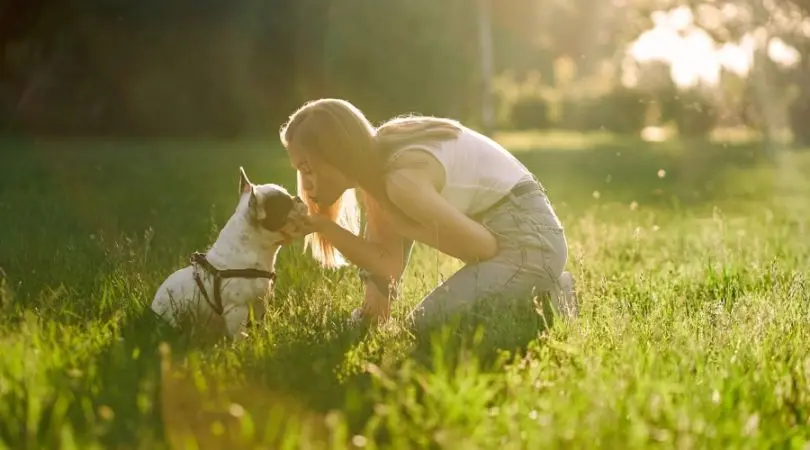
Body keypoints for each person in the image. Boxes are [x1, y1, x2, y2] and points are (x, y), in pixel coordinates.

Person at [279, 98, 577, 333]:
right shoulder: (379, 163)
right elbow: (387, 265)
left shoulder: (401, 182)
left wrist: (409, 226)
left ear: (337, 154)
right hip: (523, 231)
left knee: (422, 328)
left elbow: (483, 248)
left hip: (530, 242)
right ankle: (540, 289)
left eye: (307, 169)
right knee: (424, 325)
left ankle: (547, 298)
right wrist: (321, 225)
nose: (304, 186)